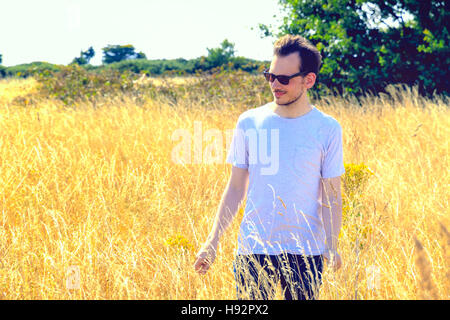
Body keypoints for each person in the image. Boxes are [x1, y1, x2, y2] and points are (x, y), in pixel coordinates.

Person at [193, 34, 345, 300]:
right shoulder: (249, 122)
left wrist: (331, 245)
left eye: (284, 79)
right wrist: (212, 241)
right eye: (270, 76)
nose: (275, 84)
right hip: (253, 249)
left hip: (305, 252)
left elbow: (331, 196)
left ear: (308, 80)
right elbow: (235, 188)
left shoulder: (327, 129)